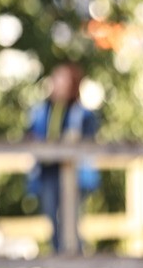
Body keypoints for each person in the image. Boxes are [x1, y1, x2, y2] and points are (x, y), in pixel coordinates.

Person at [25, 63, 100, 254]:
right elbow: (30, 135)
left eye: (62, 79)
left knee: (71, 223)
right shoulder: (42, 110)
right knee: (53, 222)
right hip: (48, 173)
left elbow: (88, 139)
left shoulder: (81, 112)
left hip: (74, 176)